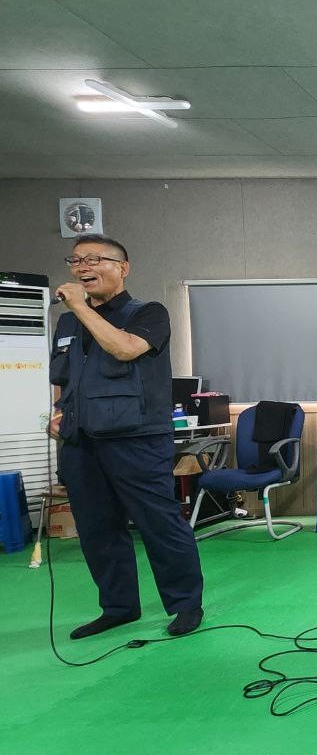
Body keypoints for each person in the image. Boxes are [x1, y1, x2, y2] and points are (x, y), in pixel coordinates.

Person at [49, 236, 204, 639]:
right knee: (97, 528)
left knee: (159, 523)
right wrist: (57, 413)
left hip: (137, 439)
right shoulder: (66, 323)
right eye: (76, 261)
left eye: (94, 259)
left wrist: (81, 308)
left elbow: (124, 349)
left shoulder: (148, 313)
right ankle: (119, 607)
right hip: (81, 442)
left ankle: (186, 604)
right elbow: (62, 378)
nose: (83, 267)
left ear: (123, 268)